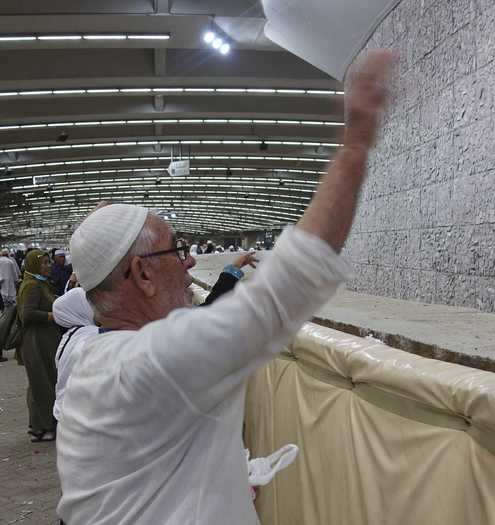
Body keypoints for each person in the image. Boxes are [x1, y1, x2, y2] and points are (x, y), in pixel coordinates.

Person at [56, 50, 393, 525]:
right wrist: (355, 146)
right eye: (176, 251)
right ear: (143, 276)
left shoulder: (97, 361)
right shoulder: (148, 363)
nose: (190, 260)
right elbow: (284, 291)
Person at [16, 250, 62, 442]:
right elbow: (27, 314)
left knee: (43, 381)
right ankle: (43, 427)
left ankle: (40, 426)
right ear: (34, 265)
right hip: (37, 341)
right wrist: (52, 315)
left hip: (44, 339)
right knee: (41, 383)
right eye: (44, 263)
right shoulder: (32, 286)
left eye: (48, 262)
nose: (48, 265)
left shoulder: (40, 283)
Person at [51, 288, 99, 422]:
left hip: (64, 410)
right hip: (79, 415)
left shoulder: (70, 336)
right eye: (90, 304)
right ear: (80, 308)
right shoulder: (91, 335)